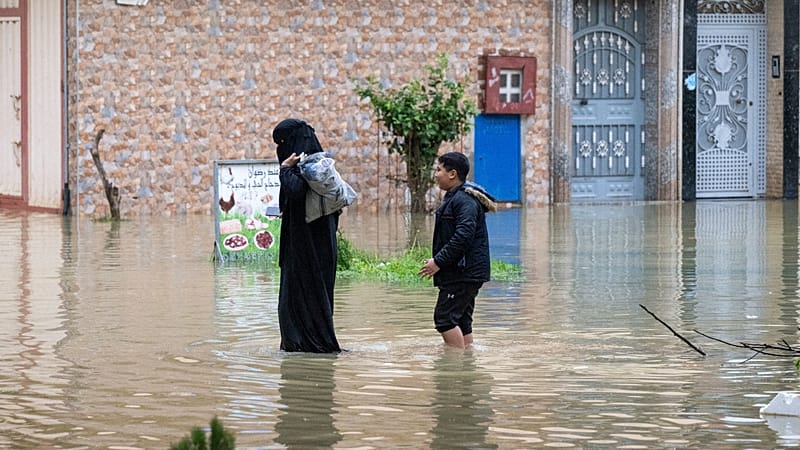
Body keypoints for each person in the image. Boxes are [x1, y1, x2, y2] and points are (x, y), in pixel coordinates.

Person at [272, 118, 342, 353]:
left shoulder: (312, 166)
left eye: (282, 143)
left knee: (300, 300)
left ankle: (307, 348)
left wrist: (284, 168)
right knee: (304, 300)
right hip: (312, 247)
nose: (280, 149)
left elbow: (296, 190)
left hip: (308, 251)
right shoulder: (317, 166)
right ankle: (304, 347)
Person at [419, 152, 495, 349]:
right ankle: (467, 361)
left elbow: (463, 236)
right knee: (461, 320)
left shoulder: (464, 201)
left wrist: (438, 262)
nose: (436, 175)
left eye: (439, 170)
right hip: (464, 271)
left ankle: (455, 365)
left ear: (452, 174)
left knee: (444, 319)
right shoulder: (456, 198)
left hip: (463, 273)